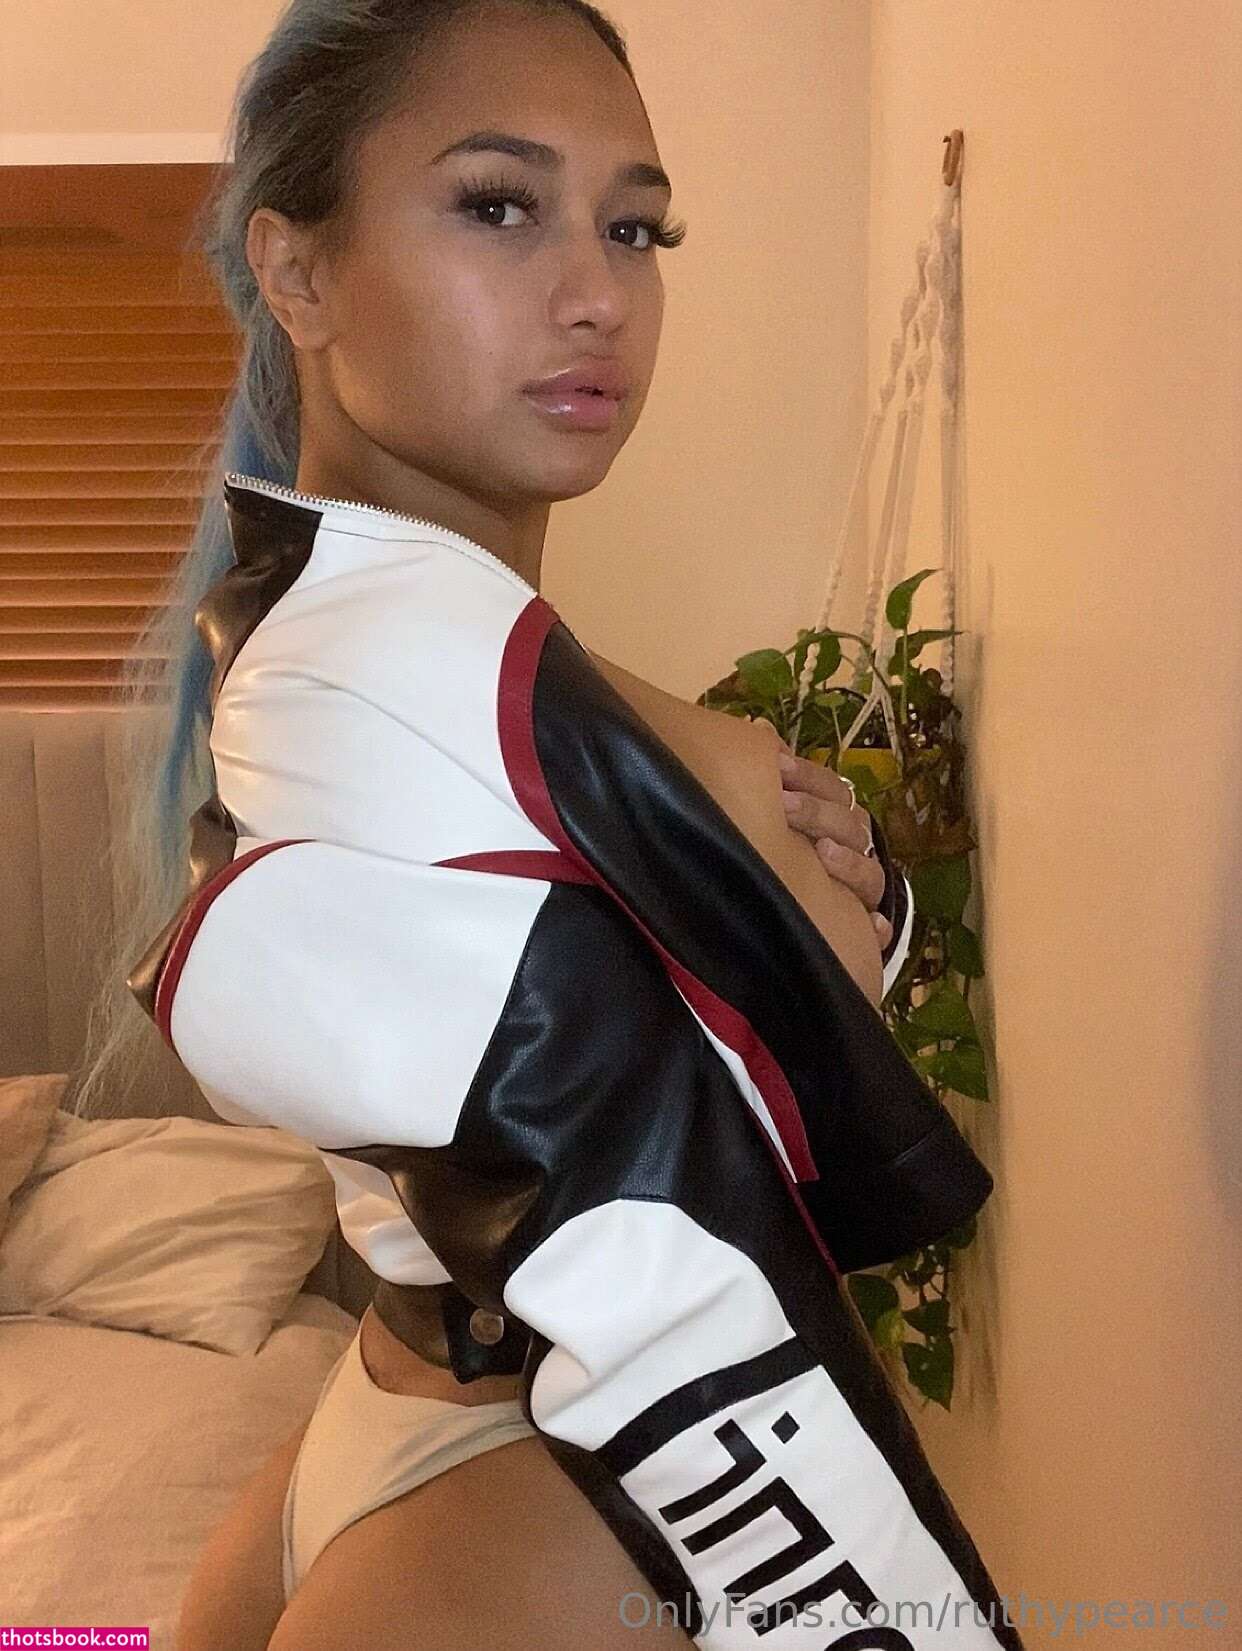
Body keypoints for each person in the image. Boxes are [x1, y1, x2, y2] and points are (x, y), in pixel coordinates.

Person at [86, 2, 1021, 1647]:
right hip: (490, 1443)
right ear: (296, 274)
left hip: (515, 1473)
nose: (596, 293)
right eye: (499, 205)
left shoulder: (436, 664)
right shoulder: (385, 670)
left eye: (634, 228)